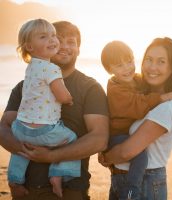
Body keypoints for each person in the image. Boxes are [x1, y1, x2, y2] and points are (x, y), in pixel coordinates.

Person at [0, 21, 109, 200]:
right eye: (58, 39)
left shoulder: (90, 88)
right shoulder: (25, 86)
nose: (64, 46)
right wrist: (25, 150)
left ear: (79, 49)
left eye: (71, 42)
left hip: (68, 191)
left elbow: (99, 139)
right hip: (27, 190)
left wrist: (50, 156)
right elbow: (4, 126)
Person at [99, 37, 172, 200]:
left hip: (145, 184)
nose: (152, 67)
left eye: (161, 61)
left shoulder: (168, 107)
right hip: (122, 179)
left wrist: (106, 157)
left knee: (141, 156)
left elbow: (128, 152)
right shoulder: (137, 91)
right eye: (149, 59)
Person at [7, 18, 80, 198]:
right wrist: (69, 99)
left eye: (53, 35)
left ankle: (15, 179)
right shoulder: (52, 69)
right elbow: (62, 95)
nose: (53, 40)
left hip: (20, 128)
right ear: (29, 47)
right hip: (44, 130)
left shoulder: (30, 68)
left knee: (21, 151)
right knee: (71, 138)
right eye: (43, 37)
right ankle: (57, 174)